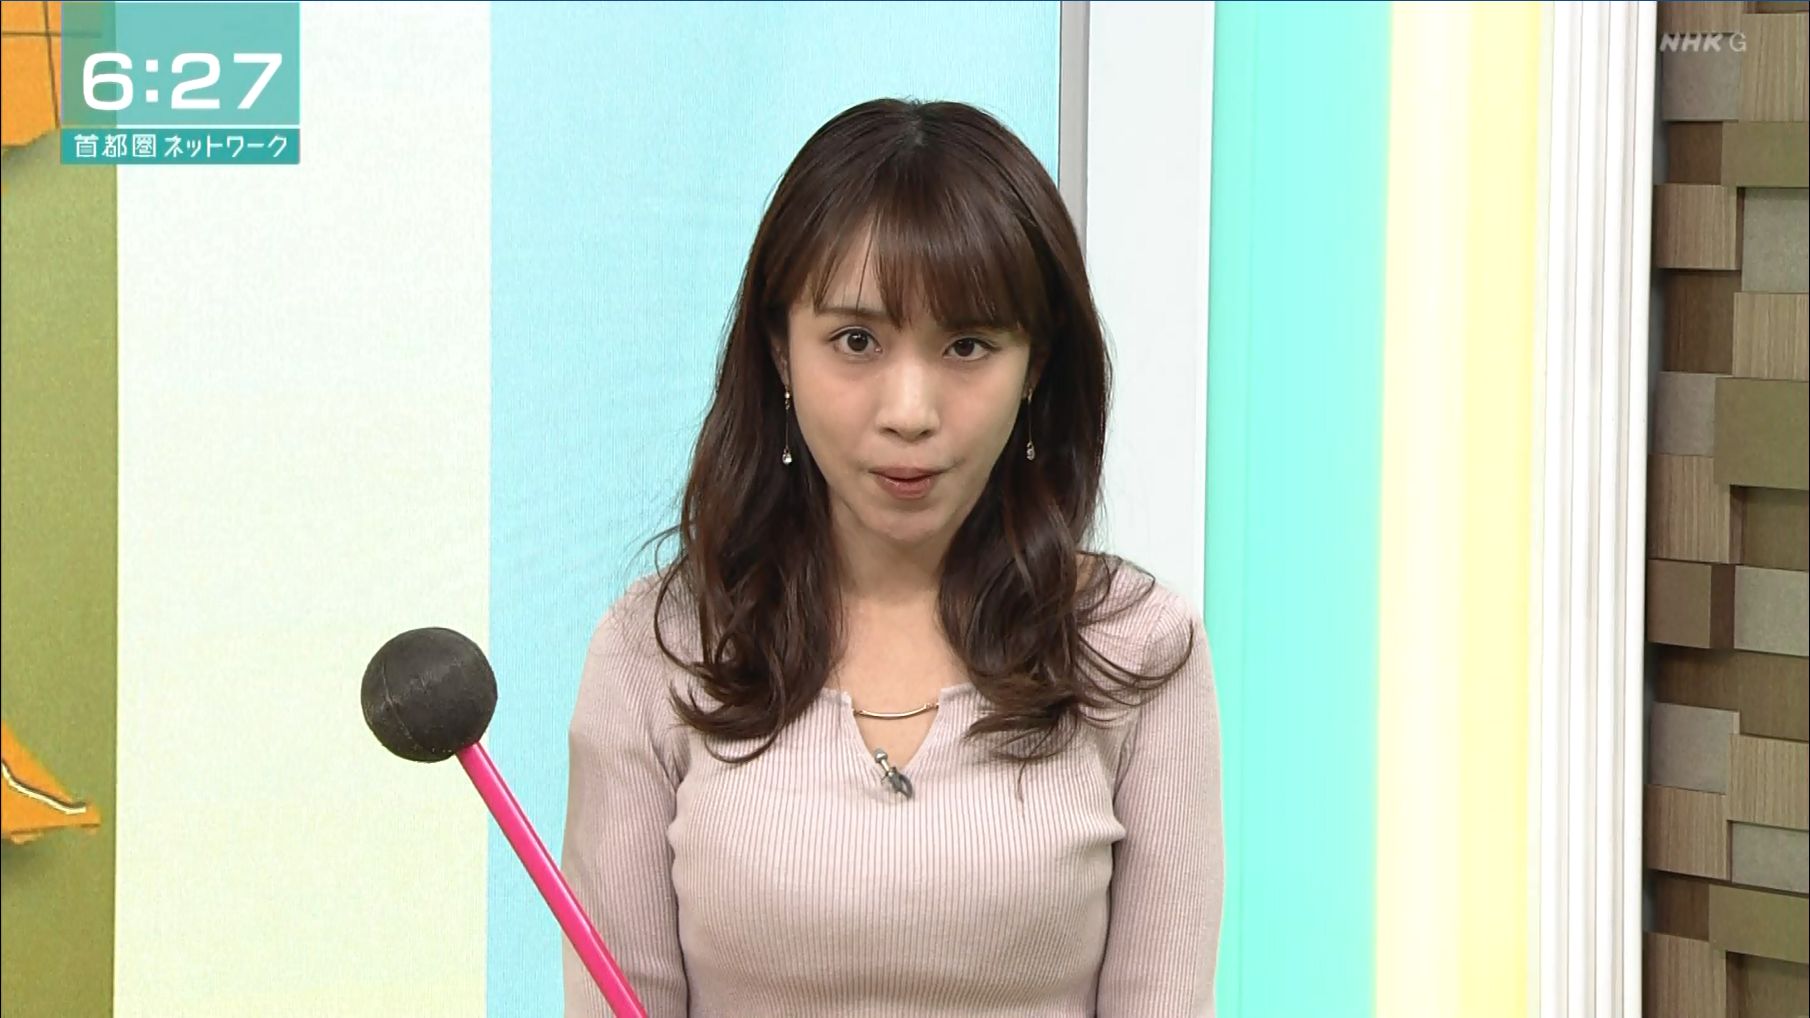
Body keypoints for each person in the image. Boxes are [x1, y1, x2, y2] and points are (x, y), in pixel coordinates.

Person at [562, 97, 1224, 1017]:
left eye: (967, 345)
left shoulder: (1138, 648)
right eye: (856, 341)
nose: (909, 411)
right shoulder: (657, 651)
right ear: (780, 352)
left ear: (1035, 367)